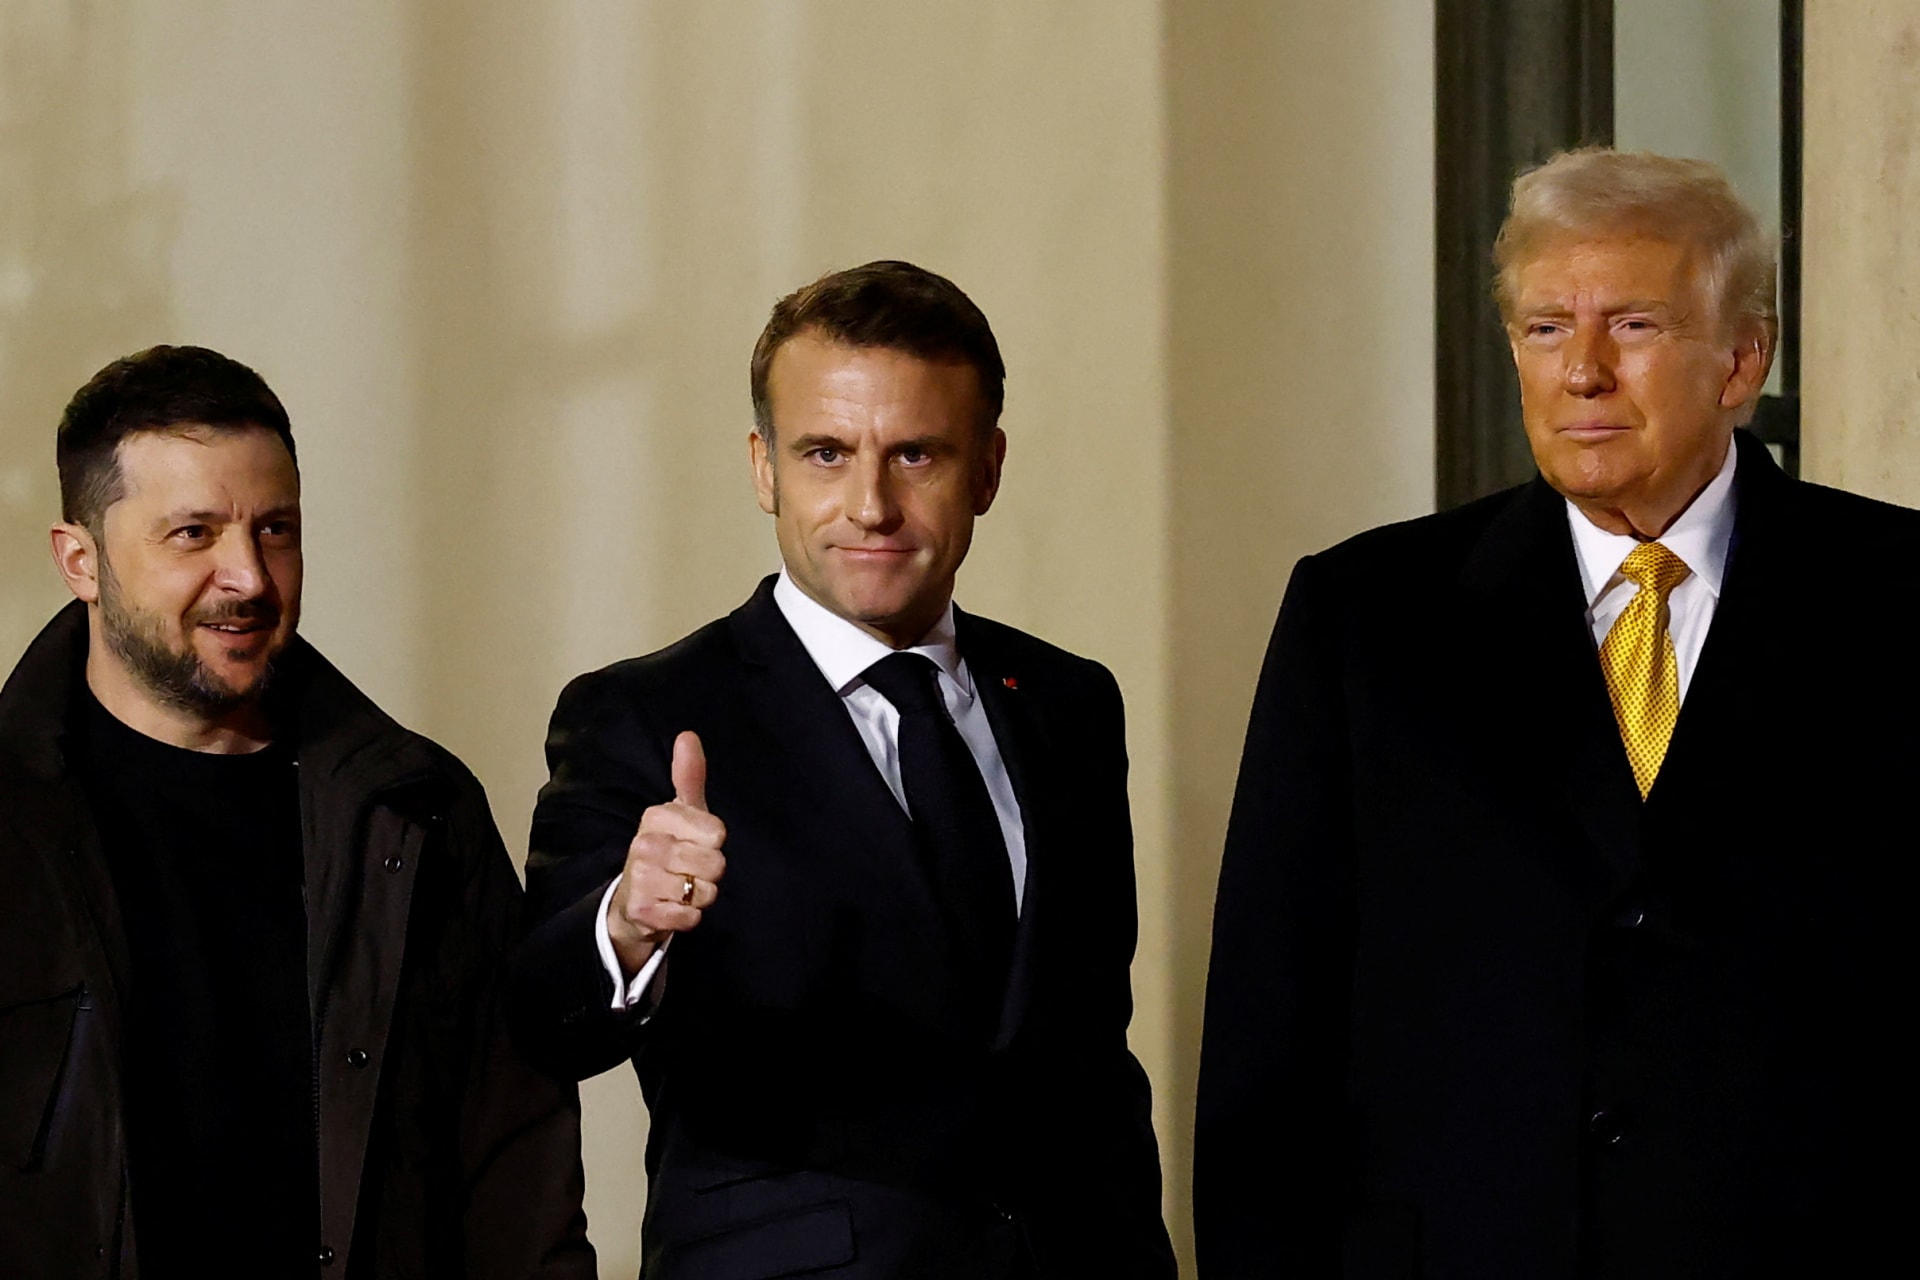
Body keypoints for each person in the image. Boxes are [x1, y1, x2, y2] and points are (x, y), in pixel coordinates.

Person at [1195, 148, 1920, 1277]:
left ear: (1742, 358)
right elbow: (1268, 1031)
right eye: (1544, 329)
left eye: (1632, 325)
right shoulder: (1367, 617)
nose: (1581, 370)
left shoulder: (1904, 601)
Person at [510, 260, 1175, 1279]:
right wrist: (629, 921)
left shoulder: (1068, 702)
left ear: (987, 468)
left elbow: (1089, 1059)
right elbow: (541, 1018)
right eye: (826, 452)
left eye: (916, 453)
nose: (872, 503)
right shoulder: (645, 714)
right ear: (764, 467)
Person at [0, 346, 594, 1277]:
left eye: (275, 530)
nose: (248, 577)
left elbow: (515, 1165)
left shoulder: (419, 813)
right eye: (193, 534)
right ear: (81, 561)